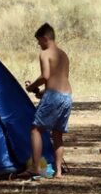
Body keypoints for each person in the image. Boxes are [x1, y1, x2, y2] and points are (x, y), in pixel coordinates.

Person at [24, 23, 72, 179]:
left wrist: (31, 87)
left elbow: (45, 76)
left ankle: (35, 167)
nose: (39, 45)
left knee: (35, 129)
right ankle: (58, 172)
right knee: (57, 134)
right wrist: (43, 92)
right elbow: (60, 79)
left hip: (54, 96)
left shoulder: (45, 53)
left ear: (45, 38)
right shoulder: (63, 54)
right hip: (66, 96)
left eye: (39, 41)